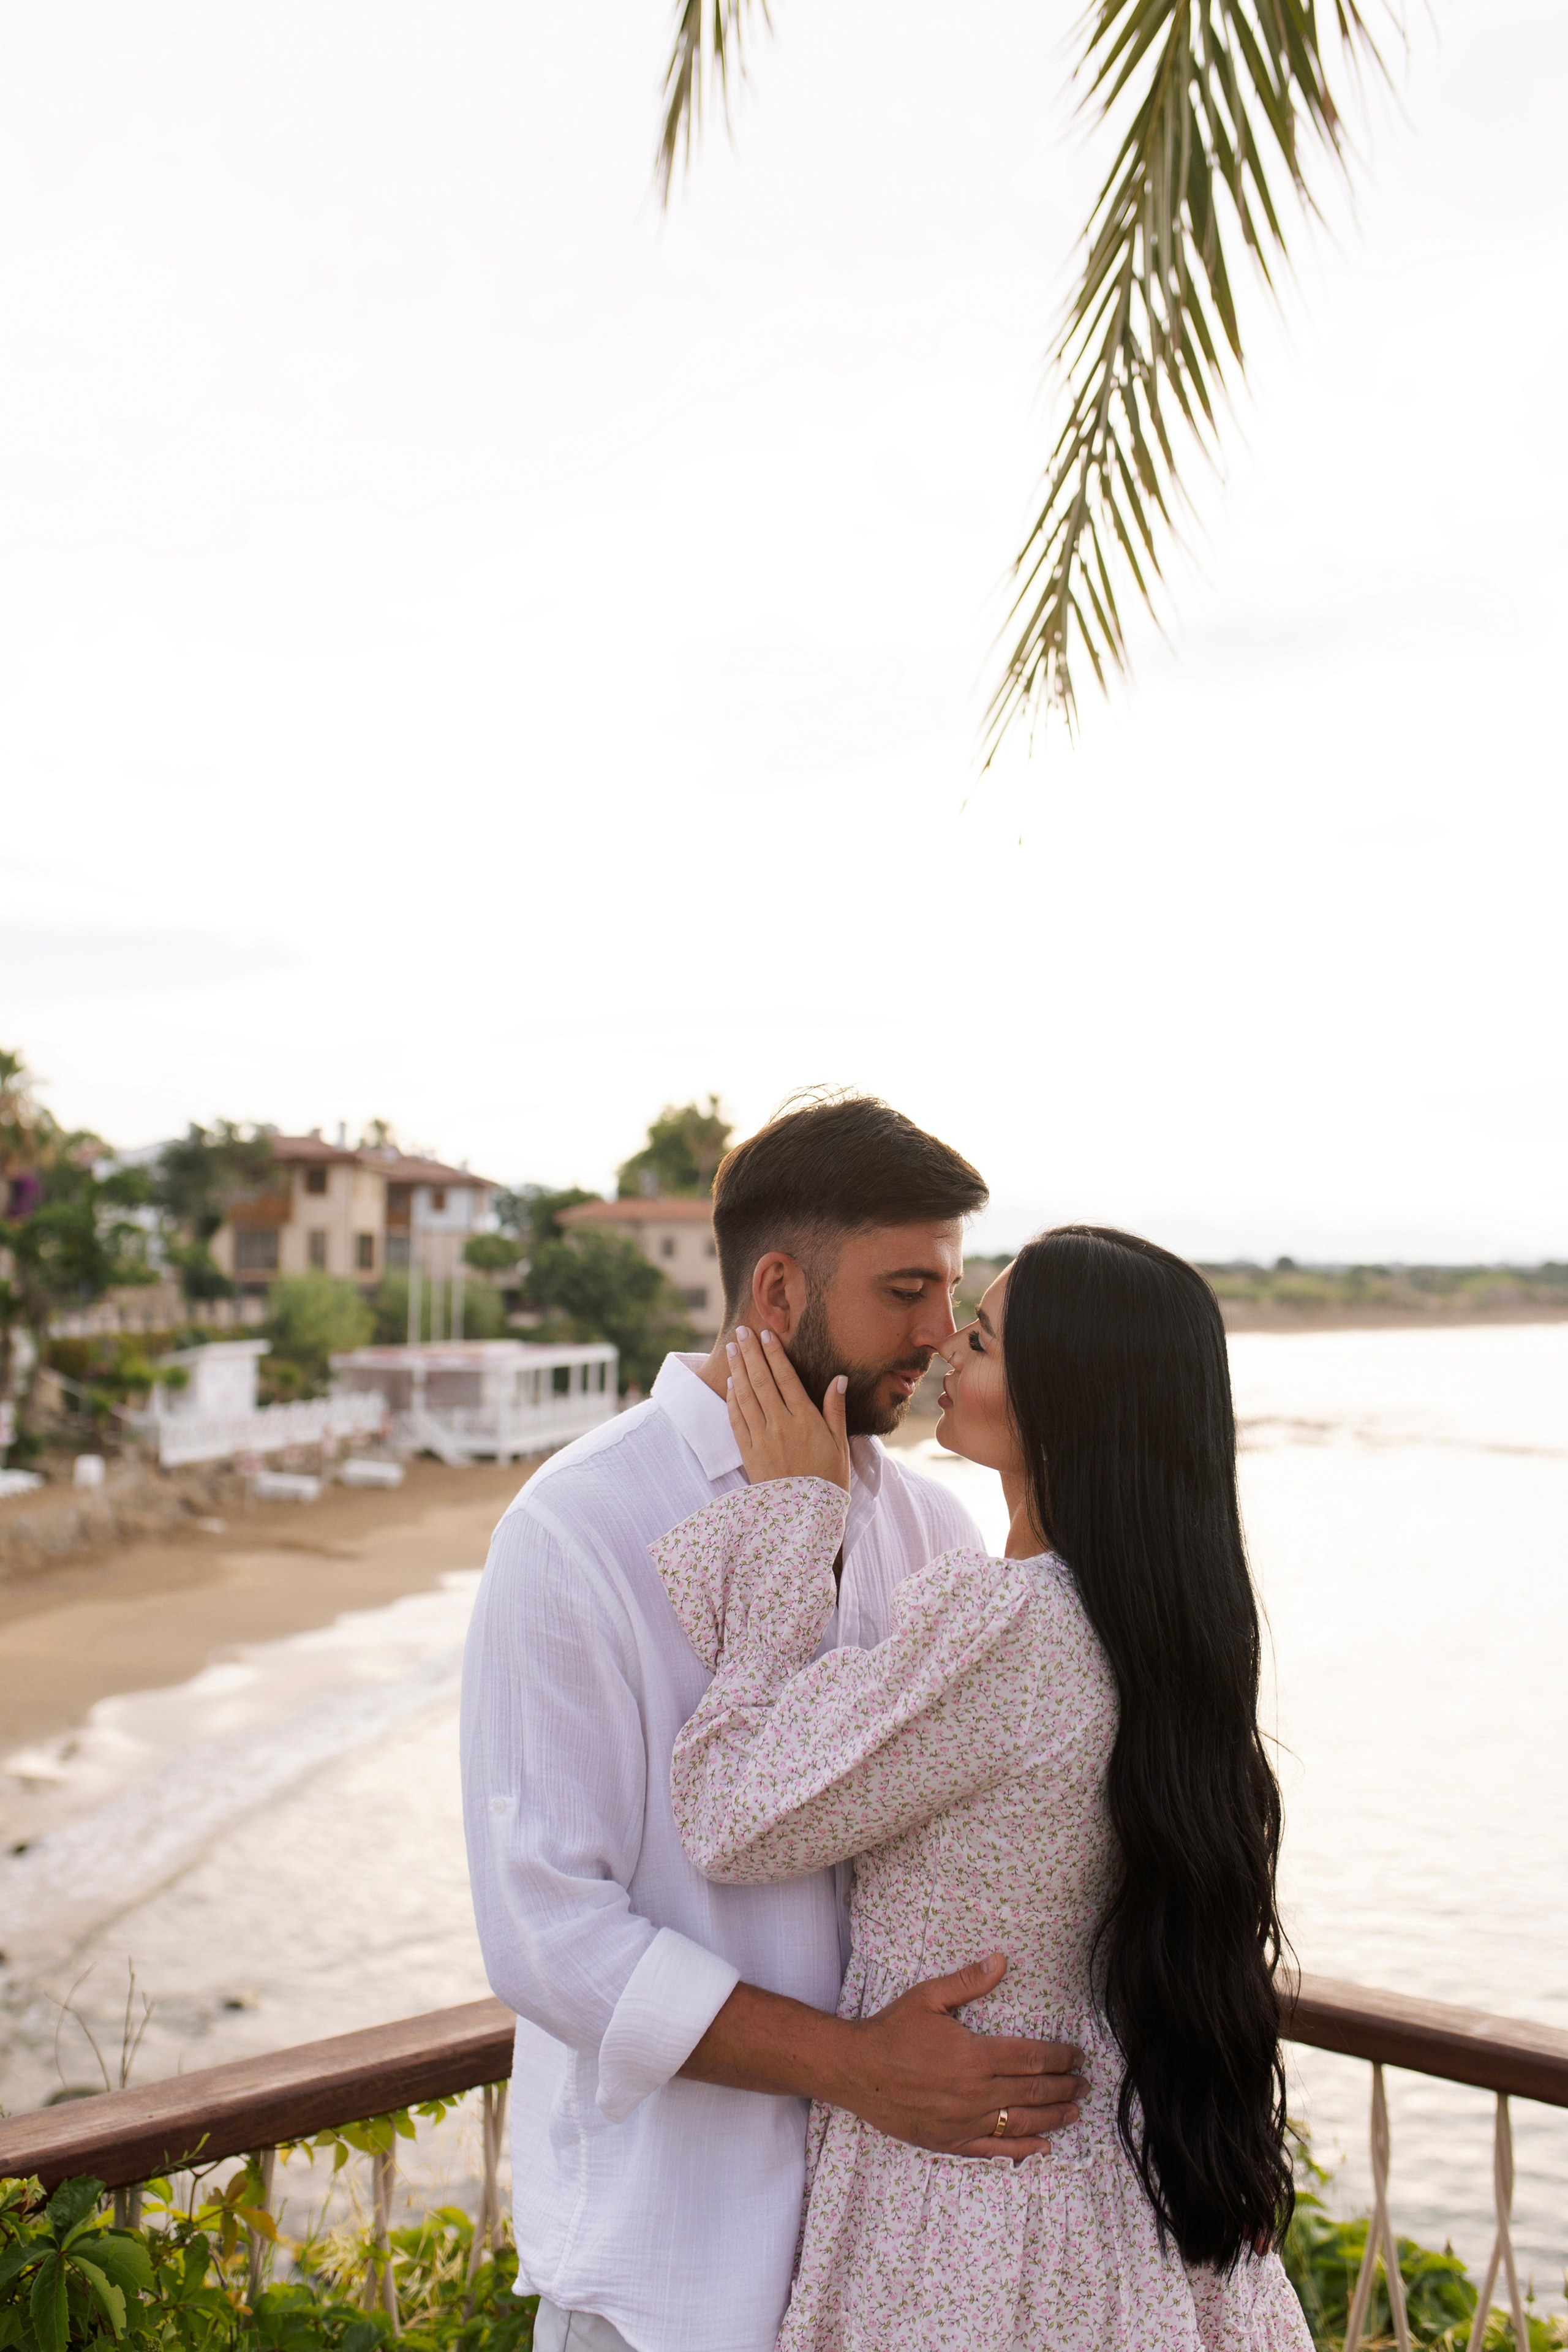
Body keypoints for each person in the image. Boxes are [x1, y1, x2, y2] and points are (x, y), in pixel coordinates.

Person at [459, 1098, 1089, 2352]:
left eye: (951, 1292)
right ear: (779, 1289)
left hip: (901, 2258)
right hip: (666, 2273)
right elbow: (545, 1931)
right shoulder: (577, 1527)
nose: (936, 1335)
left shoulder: (931, 1531)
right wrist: (853, 2064)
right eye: (904, 1289)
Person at [652, 1227, 1313, 2350]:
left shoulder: (1011, 1627)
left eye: (988, 1337)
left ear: (1068, 1398)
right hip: (1113, 2182)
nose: (952, 1342)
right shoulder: (1159, 1622)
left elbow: (731, 1813)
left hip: (972, 2203)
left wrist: (791, 1525)